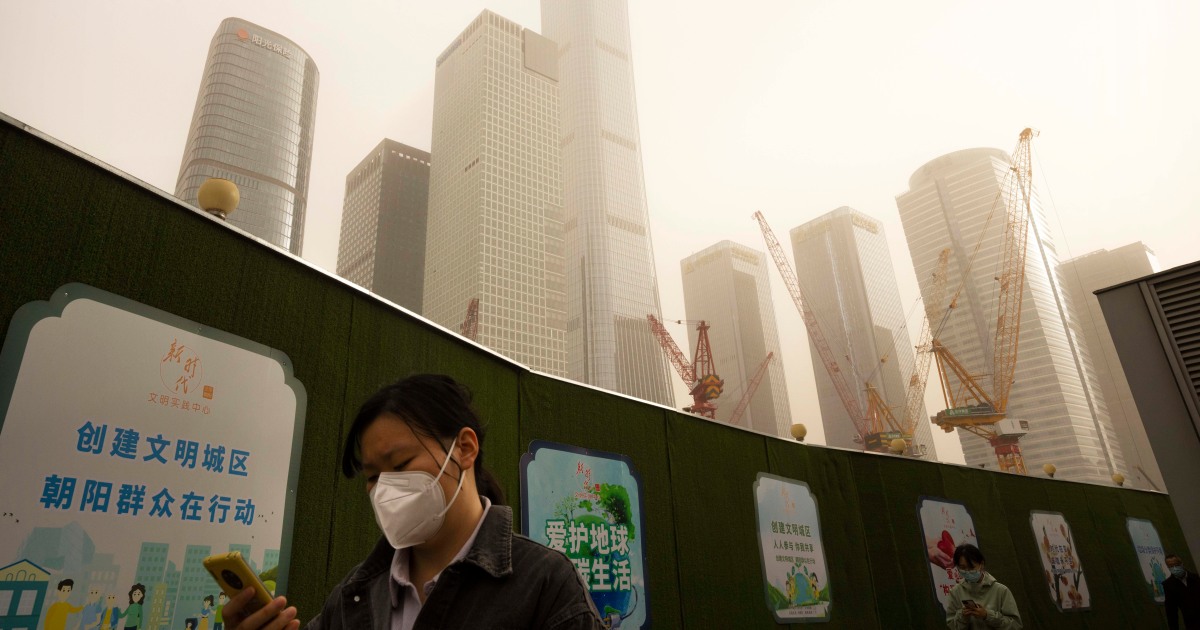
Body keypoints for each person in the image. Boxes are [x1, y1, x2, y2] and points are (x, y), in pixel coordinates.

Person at [222, 374, 602, 629]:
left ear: (465, 448)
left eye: (401, 464)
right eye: (373, 477)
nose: (386, 489)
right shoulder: (353, 597)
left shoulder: (546, 584)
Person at [945, 544, 1022, 629]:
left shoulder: (1001, 591)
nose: (967, 571)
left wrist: (987, 615)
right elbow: (952, 626)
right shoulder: (955, 592)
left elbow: (1015, 625)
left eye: (971, 567)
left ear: (981, 564)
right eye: (962, 567)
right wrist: (962, 616)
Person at [1165, 554, 1200, 630]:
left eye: (1176, 565)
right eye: (1171, 566)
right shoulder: (1169, 585)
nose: (1174, 568)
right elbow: (1171, 612)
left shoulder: (1196, 578)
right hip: (1192, 624)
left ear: (1181, 564)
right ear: (1168, 567)